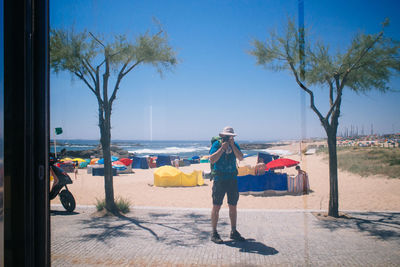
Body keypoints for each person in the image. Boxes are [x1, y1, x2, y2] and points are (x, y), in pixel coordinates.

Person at [209, 126, 245, 244]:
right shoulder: (216, 145)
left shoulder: (235, 145)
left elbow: (240, 157)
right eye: (226, 136)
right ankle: (214, 232)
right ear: (222, 136)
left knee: (233, 206)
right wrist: (222, 149)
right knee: (216, 206)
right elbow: (212, 160)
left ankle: (233, 231)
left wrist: (233, 146)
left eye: (231, 136)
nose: (228, 138)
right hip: (219, 179)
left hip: (232, 179)